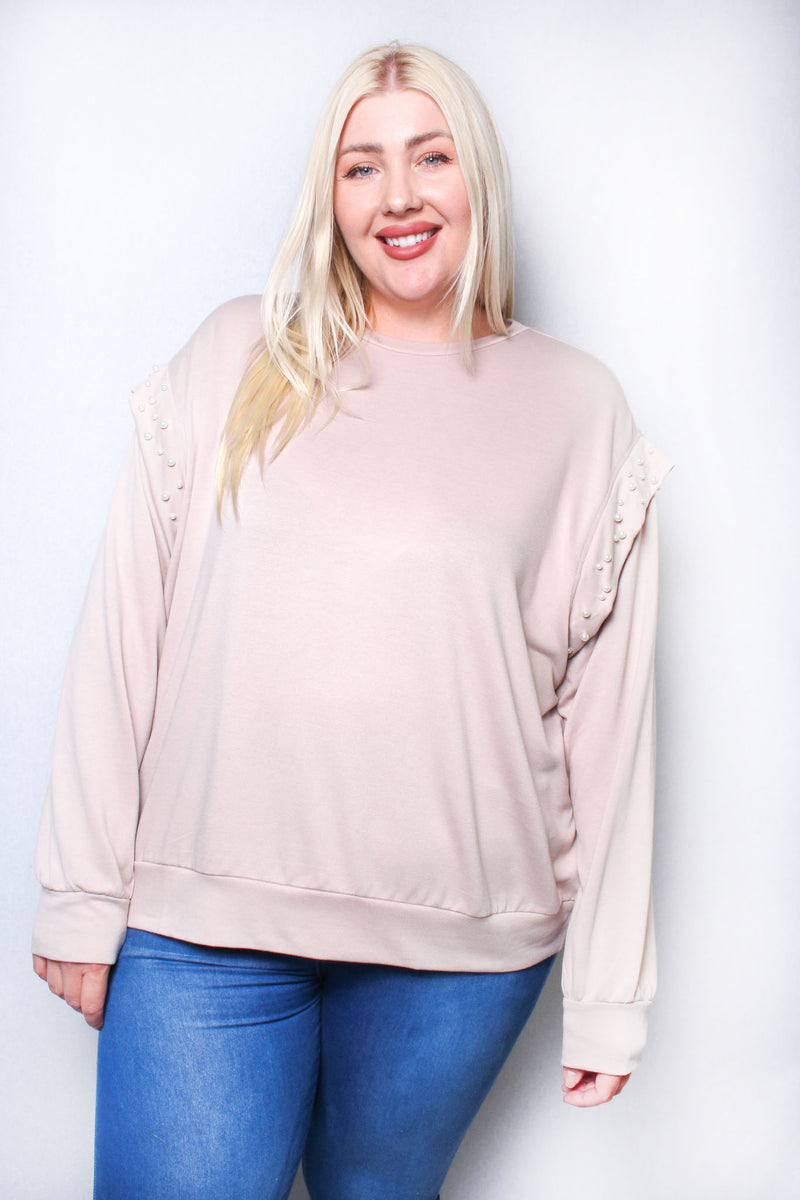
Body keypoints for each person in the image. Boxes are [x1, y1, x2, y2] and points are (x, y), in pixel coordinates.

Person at [32, 40, 671, 1200]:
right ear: (328, 199)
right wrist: (80, 893)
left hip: (457, 952)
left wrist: (609, 993)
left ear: (476, 175)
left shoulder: (576, 408)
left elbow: (610, 722)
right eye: (360, 166)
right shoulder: (233, 356)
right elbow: (122, 634)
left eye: (431, 156)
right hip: (201, 933)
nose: (398, 197)